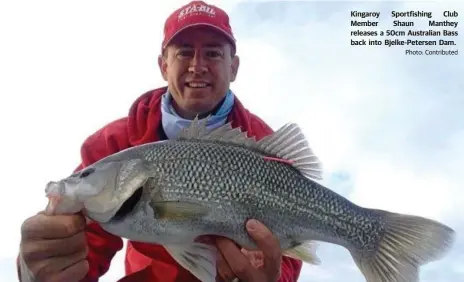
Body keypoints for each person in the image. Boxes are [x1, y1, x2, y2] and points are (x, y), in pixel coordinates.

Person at [17, 1, 303, 281]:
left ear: (234, 68)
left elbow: (292, 248)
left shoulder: (265, 144)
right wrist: (39, 269)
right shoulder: (114, 145)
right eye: (184, 52)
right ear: (163, 65)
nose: (197, 66)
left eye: (213, 54)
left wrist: (273, 276)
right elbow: (81, 254)